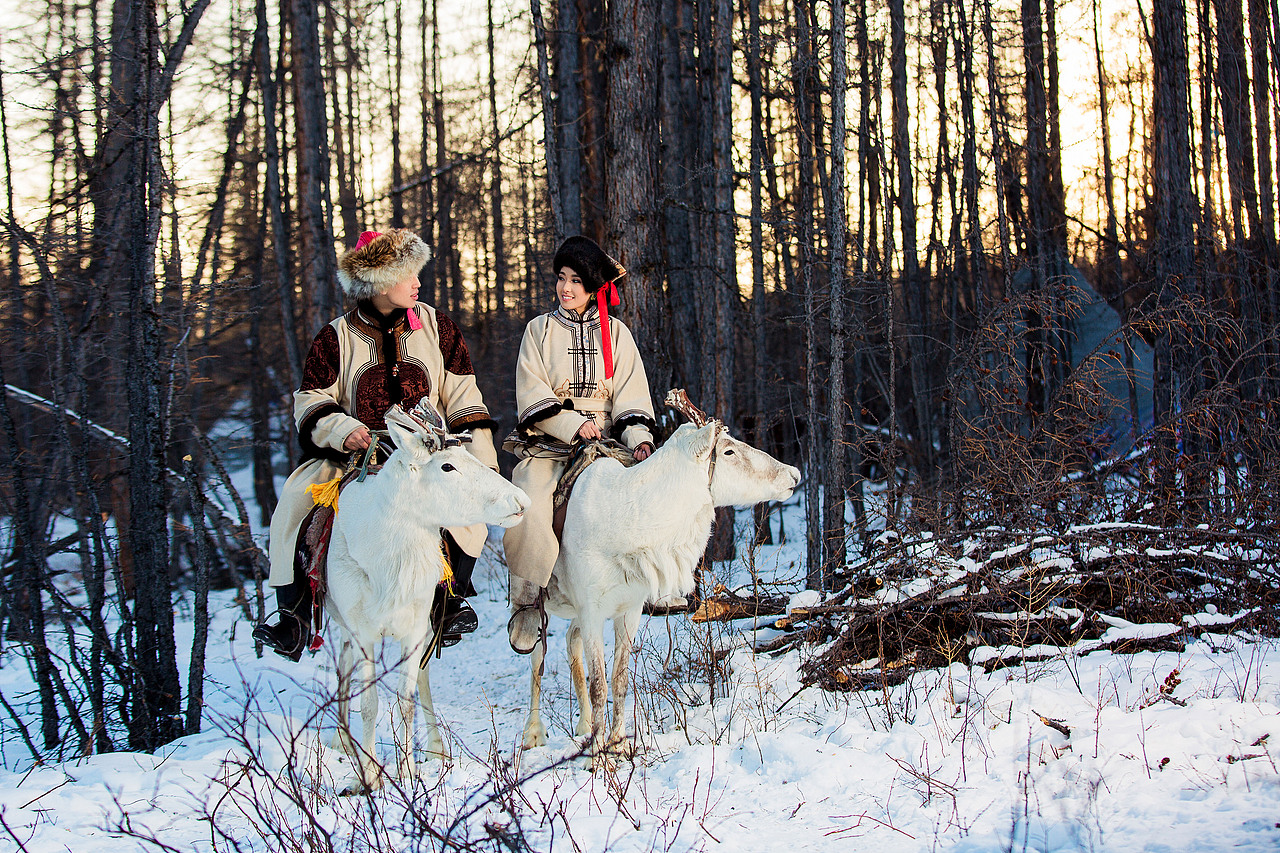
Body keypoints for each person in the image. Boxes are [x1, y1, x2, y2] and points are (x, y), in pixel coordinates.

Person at [253, 229, 500, 661]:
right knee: (290, 508)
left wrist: (482, 461)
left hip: (430, 457)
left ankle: (448, 604)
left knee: (469, 522)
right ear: (383, 282)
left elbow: (464, 396)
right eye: (409, 275)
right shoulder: (335, 338)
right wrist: (341, 428)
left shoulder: (440, 328)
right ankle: (293, 619)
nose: (418, 283)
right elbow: (310, 399)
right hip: (357, 459)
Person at [503, 235, 657, 654]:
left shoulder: (619, 334)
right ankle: (528, 599)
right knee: (530, 500)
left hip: (608, 442)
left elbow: (632, 396)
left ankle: (655, 581)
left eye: (575, 280)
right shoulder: (539, 330)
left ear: (594, 287)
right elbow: (531, 390)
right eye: (561, 278)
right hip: (552, 443)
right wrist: (571, 424)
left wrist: (639, 440)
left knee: (650, 495)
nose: (565, 288)